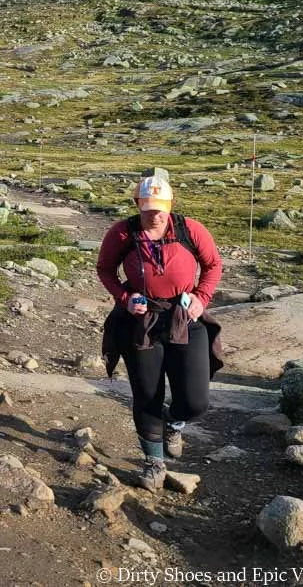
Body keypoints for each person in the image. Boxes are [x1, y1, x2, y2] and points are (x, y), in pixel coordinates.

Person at [96, 174, 224, 491]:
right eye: (148, 207)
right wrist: (125, 299)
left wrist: (202, 298)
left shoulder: (189, 230)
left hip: (184, 317)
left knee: (196, 402)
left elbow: (213, 265)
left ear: (170, 204)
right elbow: (105, 268)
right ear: (138, 204)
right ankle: (154, 463)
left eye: (160, 207)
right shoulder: (123, 232)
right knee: (147, 394)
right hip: (141, 323)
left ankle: (174, 421)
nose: (155, 214)